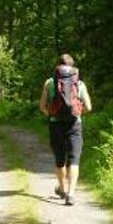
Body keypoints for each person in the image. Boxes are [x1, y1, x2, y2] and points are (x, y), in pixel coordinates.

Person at [38, 54, 92, 205]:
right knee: (74, 160)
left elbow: (42, 106)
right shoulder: (79, 84)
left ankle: (62, 188)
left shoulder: (49, 83)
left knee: (60, 160)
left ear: (58, 66)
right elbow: (88, 107)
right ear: (72, 67)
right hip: (75, 124)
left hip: (56, 124)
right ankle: (71, 194)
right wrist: (77, 112)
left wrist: (51, 114)